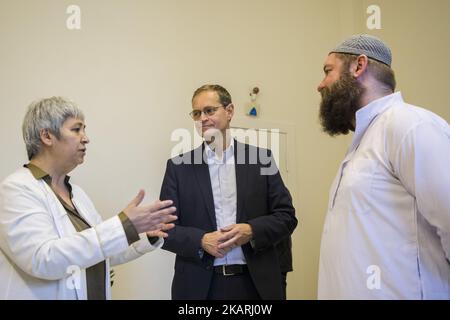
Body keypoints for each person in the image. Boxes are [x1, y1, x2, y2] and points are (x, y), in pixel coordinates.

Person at [0, 97, 177, 300]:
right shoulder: (16, 189)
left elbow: (100, 251)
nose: (85, 138)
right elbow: (43, 260)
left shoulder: (77, 194)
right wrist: (123, 226)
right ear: (47, 136)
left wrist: (143, 234)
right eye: (76, 130)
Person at [316, 34, 450, 299]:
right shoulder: (364, 139)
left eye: (327, 71)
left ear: (358, 66)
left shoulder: (410, 125)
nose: (320, 85)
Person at [159, 84, 297, 300]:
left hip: (254, 286)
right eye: (197, 113)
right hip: (199, 288)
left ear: (230, 111)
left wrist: (251, 230)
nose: (202, 118)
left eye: (209, 110)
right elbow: (164, 231)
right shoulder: (179, 167)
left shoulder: (261, 159)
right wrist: (201, 240)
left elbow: (287, 217)